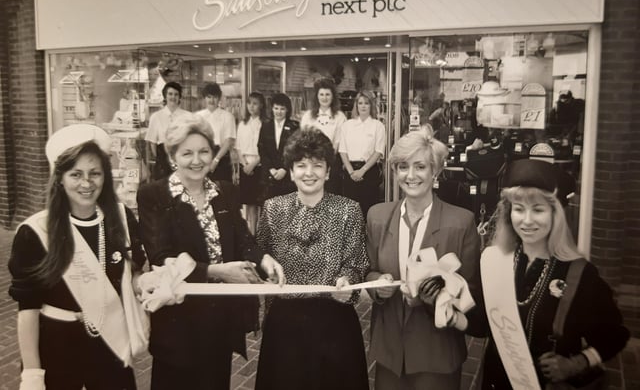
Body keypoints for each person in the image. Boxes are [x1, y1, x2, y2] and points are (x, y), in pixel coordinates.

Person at [136, 113, 284, 390]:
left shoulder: (224, 192)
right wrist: (220, 272)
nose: (197, 160)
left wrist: (264, 259)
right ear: (172, 157)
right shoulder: (154, 196)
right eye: (187, 153)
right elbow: (160, 257)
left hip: (219, 320)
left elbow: (243, 238)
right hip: (178, 320)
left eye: (204, 151)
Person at [8, 124, 146, 390]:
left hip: (110, 343)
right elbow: (27, 311)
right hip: (56, 347)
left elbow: (134, 272)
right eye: (76, 174)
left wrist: (148, 282)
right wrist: (33, 374)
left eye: (95, 173)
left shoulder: (121, 218)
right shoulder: (35, 232)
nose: (86, 183)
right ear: (59, 178)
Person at [480, 159, 629, 389]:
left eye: (538, 210)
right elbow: (482, 323)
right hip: (496, 381)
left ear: (555, 214)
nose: (527, 220)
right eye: (519, 209)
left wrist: (578, 362)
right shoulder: (496, 260)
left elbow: (616, 334)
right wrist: (448, 309)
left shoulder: (580, 274)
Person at [365, 125, 483, 390]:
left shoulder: (461, 222)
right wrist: (377, 284)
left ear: (435, 171)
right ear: (395, 172)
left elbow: (471, 295)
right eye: (403, 167)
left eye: (420, 167)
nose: (411, 175)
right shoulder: (377, 216)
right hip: (390, 353)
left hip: (436, 354)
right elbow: (368, 271)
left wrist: (435, 299)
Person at [255, 127, 370, 390]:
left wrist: (348, 282)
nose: (309, 172)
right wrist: (266, 274)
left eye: (317, 165)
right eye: (301, 165)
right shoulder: (274, 209)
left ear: (328, 171)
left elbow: (357, 262)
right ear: (291, 171)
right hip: (285, 323)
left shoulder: (348, 209)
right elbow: (261, 258)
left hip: (334, 321)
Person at [339, 90, 386, 217]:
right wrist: (351, 172)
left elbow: (378, 151)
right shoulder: (347, 126)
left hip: (369, 172)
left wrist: (362, 170)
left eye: (366, 103)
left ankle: (368, 237)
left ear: (371, 105)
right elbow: (342, 151)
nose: (363, 106)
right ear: (356, 106)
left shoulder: (378, 126)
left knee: (369, 211)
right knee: (351, 213)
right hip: (350, 173)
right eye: (360, 103)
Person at [300, 77, 347, 193]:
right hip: (310, 163)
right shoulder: (308, 116)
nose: (324, 98)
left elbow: (338, 143)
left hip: (332, 164)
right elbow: (303, 139)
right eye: (321, 94)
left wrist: (326, 160)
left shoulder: (340, 117)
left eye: (327, 94)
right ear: (317, 96)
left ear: (333, 97)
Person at [234, 91, 267, 234]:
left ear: (261, 105)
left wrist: (253, 165)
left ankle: (261, 235)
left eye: (255, 103)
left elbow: (265, 149)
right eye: (249, 103)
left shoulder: (264, 124)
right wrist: (244, 164)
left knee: (261, 202)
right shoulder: (242, 124)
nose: (251, 107)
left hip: (259, 164)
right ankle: (251, 234)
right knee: (249, 204)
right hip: (245, 164)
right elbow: (238, 147)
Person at [257, 92, 299, 200]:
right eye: (276, 108)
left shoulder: (294, 126)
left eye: (282, 109)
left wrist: (284, 169)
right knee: (269, 210)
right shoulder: (266, 125)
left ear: (287, 110)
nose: (278, 112)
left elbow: (296, 150)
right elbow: (262, 149)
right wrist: (271, 168)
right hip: (269, 175)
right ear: (272, 109)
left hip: (287, 175)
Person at [145, 81, 190, 180]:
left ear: (179, 97)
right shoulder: (156, 117)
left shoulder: (187, 116)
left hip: (182, 158)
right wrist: (162, 160)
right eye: (170, 94)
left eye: (176, 94)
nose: (173, 97)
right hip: (163, 160)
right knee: (163, 191)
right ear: (165, 96)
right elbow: (152, 143)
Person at [195, 82, 236, 182]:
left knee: (223, 191)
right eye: (209, 97)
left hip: (222, 156)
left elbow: (229, 140)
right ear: (204, 98)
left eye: (215, 97)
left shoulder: (228, 116)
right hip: (202, 155)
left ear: (219, 98)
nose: (212, 100)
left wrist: (216, 160)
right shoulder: (198, 116)